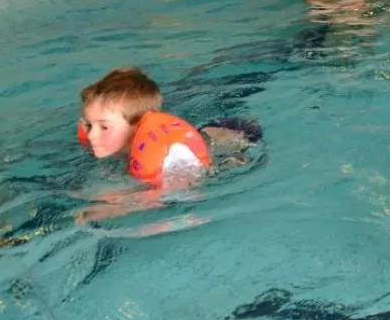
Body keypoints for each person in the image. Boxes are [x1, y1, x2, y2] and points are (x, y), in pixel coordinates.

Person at [75, 67, 259, 220]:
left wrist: (114, 208)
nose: (91, 136)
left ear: (137, 125)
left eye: (104, 127)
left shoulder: (174, 159)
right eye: (89, 125)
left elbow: (173, 192)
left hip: (237, 134)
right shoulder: (121, 141)